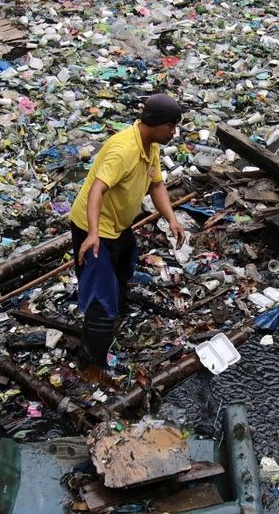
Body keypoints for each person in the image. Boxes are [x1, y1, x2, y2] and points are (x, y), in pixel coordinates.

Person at [69, 93, 186, 374]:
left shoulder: (150, 145)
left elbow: (156, 185)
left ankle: (116, 320)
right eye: (170, 126)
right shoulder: (124, 150)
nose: (174, 132)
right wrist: (93, 233)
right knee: (101, 293)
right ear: (155, 123)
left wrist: (172, 219)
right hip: (94, 228)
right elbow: (97, 188)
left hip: (119, 226)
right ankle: (92, 363)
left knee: (123, 270)